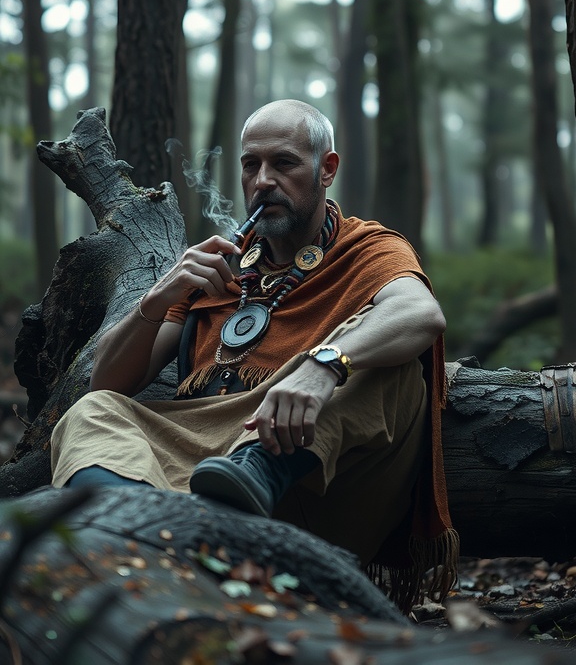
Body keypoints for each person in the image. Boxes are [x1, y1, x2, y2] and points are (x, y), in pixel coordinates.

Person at [50, 99, 458, 611]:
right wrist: (157, 300)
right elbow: (105, 385)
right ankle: (126, 534)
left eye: (283, 163)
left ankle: (247, 479)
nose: (263, 181)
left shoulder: (368, 248)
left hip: (306, 488)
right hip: (191, 477)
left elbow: (421, 314)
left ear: (326, 169)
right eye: (251, 165)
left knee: (388, 364)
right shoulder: (215, 270)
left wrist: (322, 364)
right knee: (91, 413)